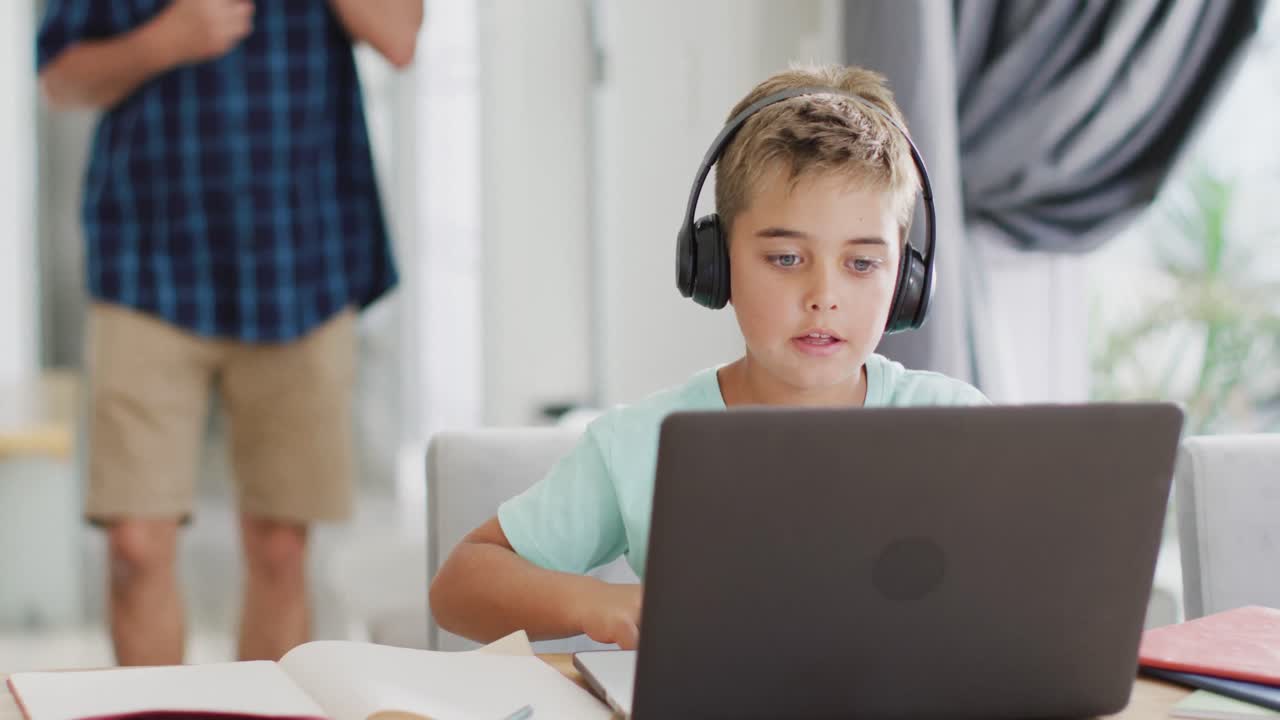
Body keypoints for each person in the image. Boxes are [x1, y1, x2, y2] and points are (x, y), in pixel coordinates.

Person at [429, 64, 989, 650]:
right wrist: (596, 603)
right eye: (786, 259)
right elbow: (460, 587)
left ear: (907, 278)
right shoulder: (644, 443)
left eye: (862, 264)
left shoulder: (961, 424)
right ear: (714, 265)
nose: (824, 295)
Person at [35, 0, 423, 664]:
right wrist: (167, 39)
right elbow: (59, 79)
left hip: (301, 262)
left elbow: (399, 36)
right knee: (134, 547)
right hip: (143, 263)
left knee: (280, 547)